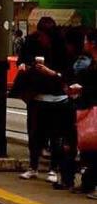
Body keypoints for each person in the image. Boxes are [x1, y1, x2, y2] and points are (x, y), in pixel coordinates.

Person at [16, 20, 77, 186]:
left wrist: (51, 73)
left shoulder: (62, 49)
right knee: (35, 134)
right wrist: (23, 65)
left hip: (57, 98)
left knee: (55, 136)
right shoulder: (31, 42)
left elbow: (67, 74)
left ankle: (53, 169)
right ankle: (33, 166)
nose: (41, 38)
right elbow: (22, 59)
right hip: (37, 96)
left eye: (43, 35)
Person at [70, 29, 97, 198]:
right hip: (89, 108)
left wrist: (83, 89)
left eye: (86, 40)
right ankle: (88, 183)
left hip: (95, 108)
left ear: (93, 43)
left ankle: (90, 183)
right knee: (90, 150)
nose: (84, 43)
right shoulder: (92, 62)